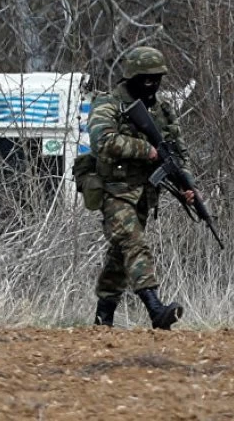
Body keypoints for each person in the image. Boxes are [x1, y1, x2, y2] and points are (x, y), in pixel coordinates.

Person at [86, 46, 191, 330]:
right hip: (114, 190)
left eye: (157, 78)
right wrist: (146, 150)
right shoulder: (109, 104)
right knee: (134, 243)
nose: (153, 84)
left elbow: (178, 152)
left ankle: (102, 318)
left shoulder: (162, 110)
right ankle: (155, 308)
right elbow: (102, 142)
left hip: (145, 193)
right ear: (132, 77)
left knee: (120, 255)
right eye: (146, 79)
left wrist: (186, 185)